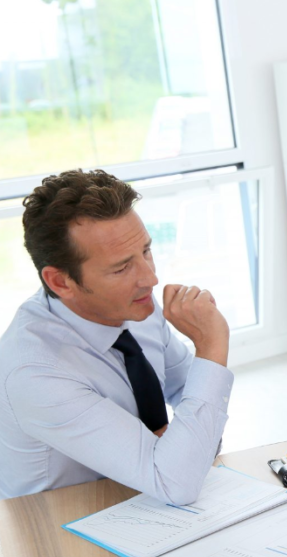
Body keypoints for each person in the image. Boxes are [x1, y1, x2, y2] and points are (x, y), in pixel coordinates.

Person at [0, 169, 233, 504]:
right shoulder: (34, 372)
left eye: (147, 251)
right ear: (61, 282)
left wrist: (183, 446)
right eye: (122, 268)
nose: (150, 279)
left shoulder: (136, 306)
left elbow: (192, 398)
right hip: (59, 521)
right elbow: (176, 481)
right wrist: (211, 346)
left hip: (140, 499)